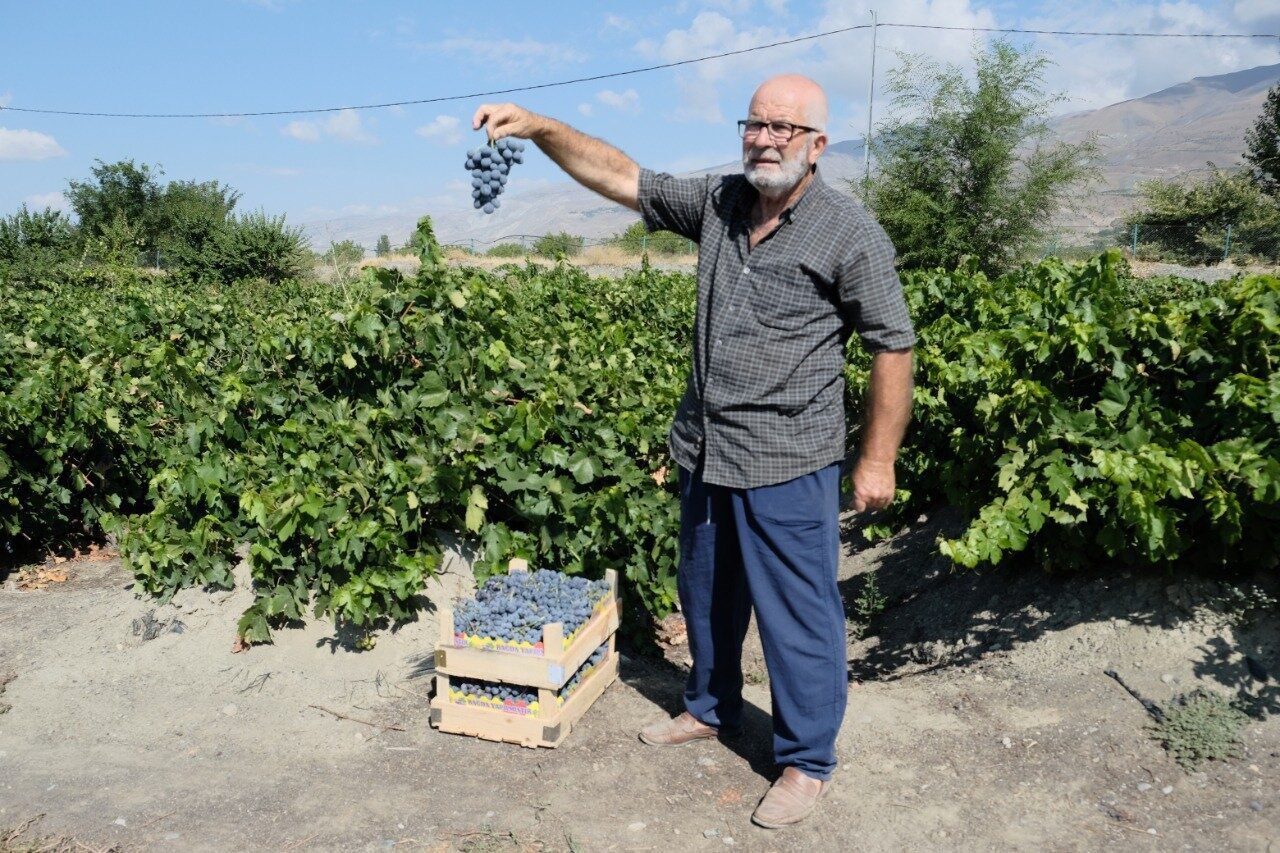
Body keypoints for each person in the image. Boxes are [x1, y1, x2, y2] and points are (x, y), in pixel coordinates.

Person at [472, 73, 915, 829]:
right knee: (707, 593)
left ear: (816, 145)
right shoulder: (718, 203)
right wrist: (540, 126)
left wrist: (878, 458)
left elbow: (893, 345)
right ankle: (711, 707)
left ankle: (805, 759)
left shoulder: (848, 232)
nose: (765, 138)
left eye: (784, 128)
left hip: (789, 458)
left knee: (798, 616)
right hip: (707, 448)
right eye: (755, 123)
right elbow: (621, 175)